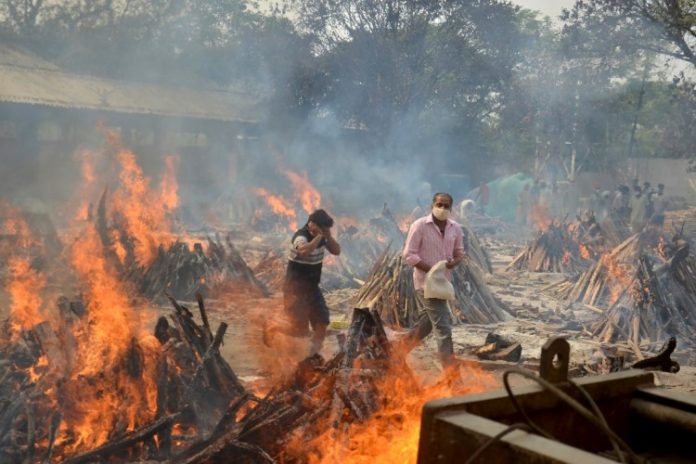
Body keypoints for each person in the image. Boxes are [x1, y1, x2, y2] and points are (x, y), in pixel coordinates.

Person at [402, 193, 465, 367]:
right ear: (432, 205)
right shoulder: (420, 226)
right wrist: (431, 270)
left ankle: (396, 351)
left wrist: (454, 263)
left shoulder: (455, 228)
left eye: (446, 206)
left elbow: (460, 253)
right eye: (439, 204)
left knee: (427, 324)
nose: (442, 208)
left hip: (443, 285)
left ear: (451, 208)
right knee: (443, 328)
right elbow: (409, 255)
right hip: (425, 284)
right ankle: (451, 375)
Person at [266, 209, 341, 354]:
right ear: (312, 224)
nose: (325, 232)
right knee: (300, 331)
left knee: (322, 323)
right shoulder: (300, 237)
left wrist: (328, 236)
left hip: (312, 288)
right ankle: (272, 326)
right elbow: (304, 251)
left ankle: (313, 355)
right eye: (323, 228)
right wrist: (319, 236)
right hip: (294, 291)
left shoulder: (323, 236)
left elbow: (336, 251)